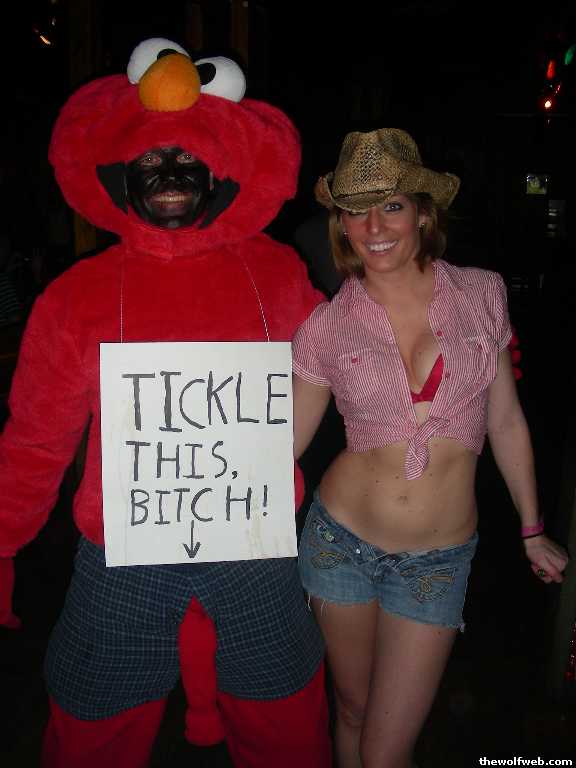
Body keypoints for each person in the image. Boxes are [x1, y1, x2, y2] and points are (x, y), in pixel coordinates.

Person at [0, 39, 331, 768]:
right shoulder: (77, 298)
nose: (172, 176)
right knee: (92, 722)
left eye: (189, 160)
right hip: (123, 550)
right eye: (152, 159)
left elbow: (343, 356)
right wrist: (3, 539)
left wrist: (432, 337)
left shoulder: (277, 276)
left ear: (221, 174)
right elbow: (36, 440)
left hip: (253, 545)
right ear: (120, 175)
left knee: (284, 723)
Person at [291, 127, 569, 768]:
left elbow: (505, 421)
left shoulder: (481, 294)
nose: (373, 227)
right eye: (356, 210)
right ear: (340, 224)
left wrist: (532, 528)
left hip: (436, 562)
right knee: (353, 711)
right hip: (338, 545)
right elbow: (285, 447)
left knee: (387, 750)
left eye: (391, 205)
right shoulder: (326, 325)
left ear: (422, 211)